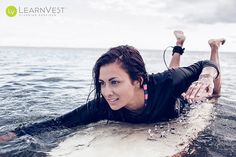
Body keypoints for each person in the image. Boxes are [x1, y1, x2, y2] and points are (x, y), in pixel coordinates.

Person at [0, 30, 225, 142]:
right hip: (169, 80)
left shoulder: (165, 83)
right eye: (102, 83)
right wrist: (12, 135)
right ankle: (179, 44)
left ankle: (214, 46)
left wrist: (205, 78)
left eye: (115, 82)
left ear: (138, 80)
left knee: (214, 93)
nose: (107, 92)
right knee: (176, 71)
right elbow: (61, 122)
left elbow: (204, 65)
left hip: (174, 89)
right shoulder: (103, 105)